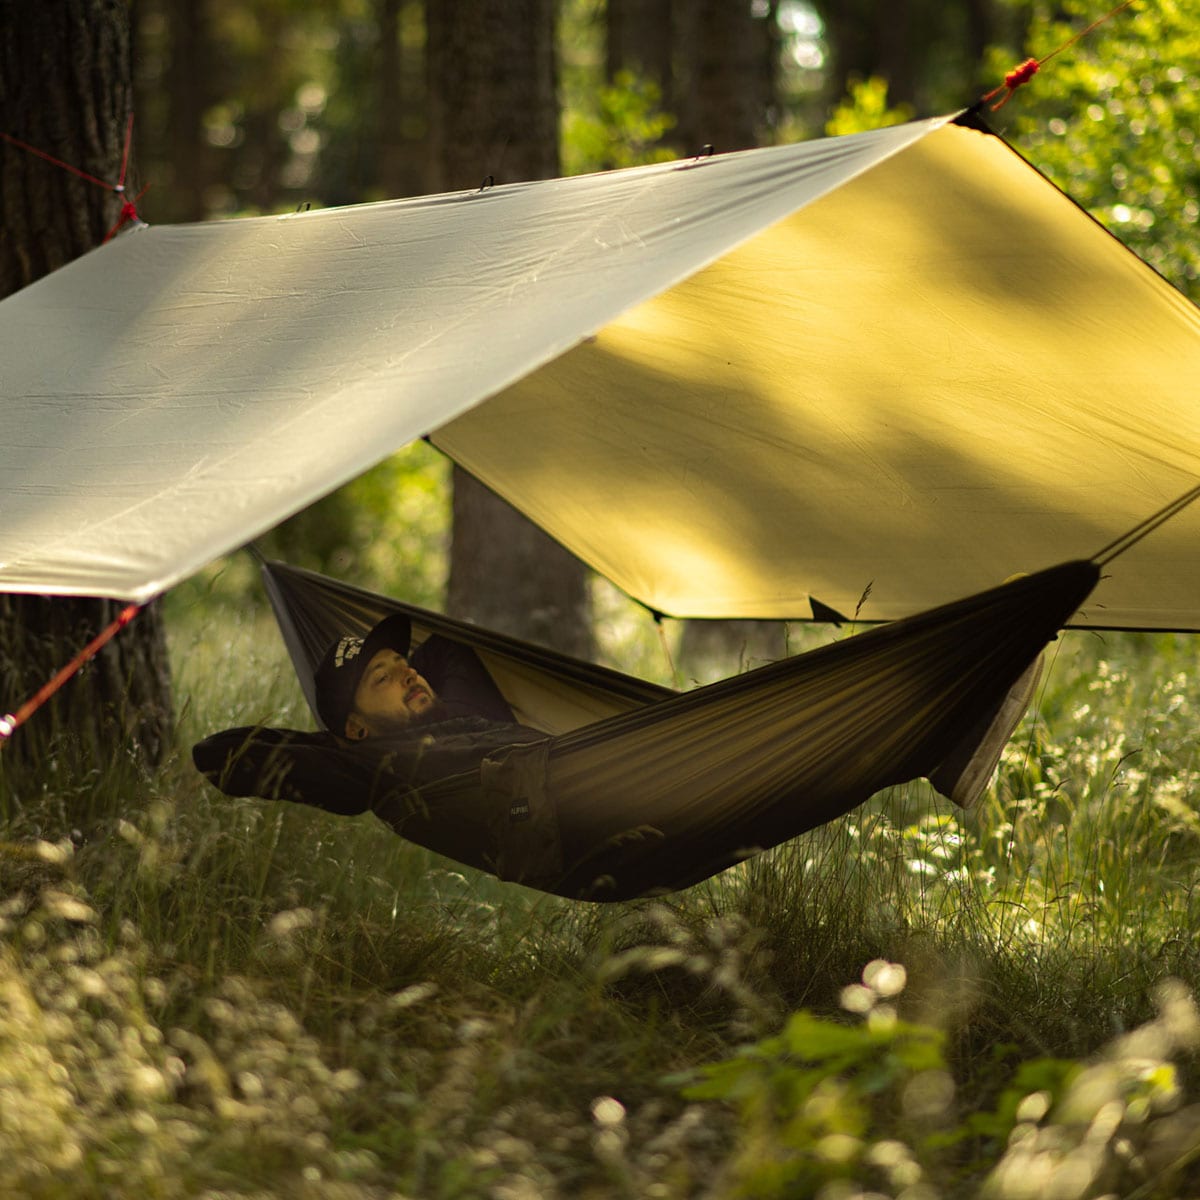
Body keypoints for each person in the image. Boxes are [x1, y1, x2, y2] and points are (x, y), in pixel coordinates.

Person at [192, 613, 547, 817]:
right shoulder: (383, 769)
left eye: (404, 665)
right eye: (382, 678)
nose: (408, 674)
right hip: (554, 795)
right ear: (357, 728)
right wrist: (338, 742)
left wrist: (402, 686)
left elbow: (445, 646)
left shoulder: (462, 707)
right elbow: (215, 754)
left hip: (568, 755)